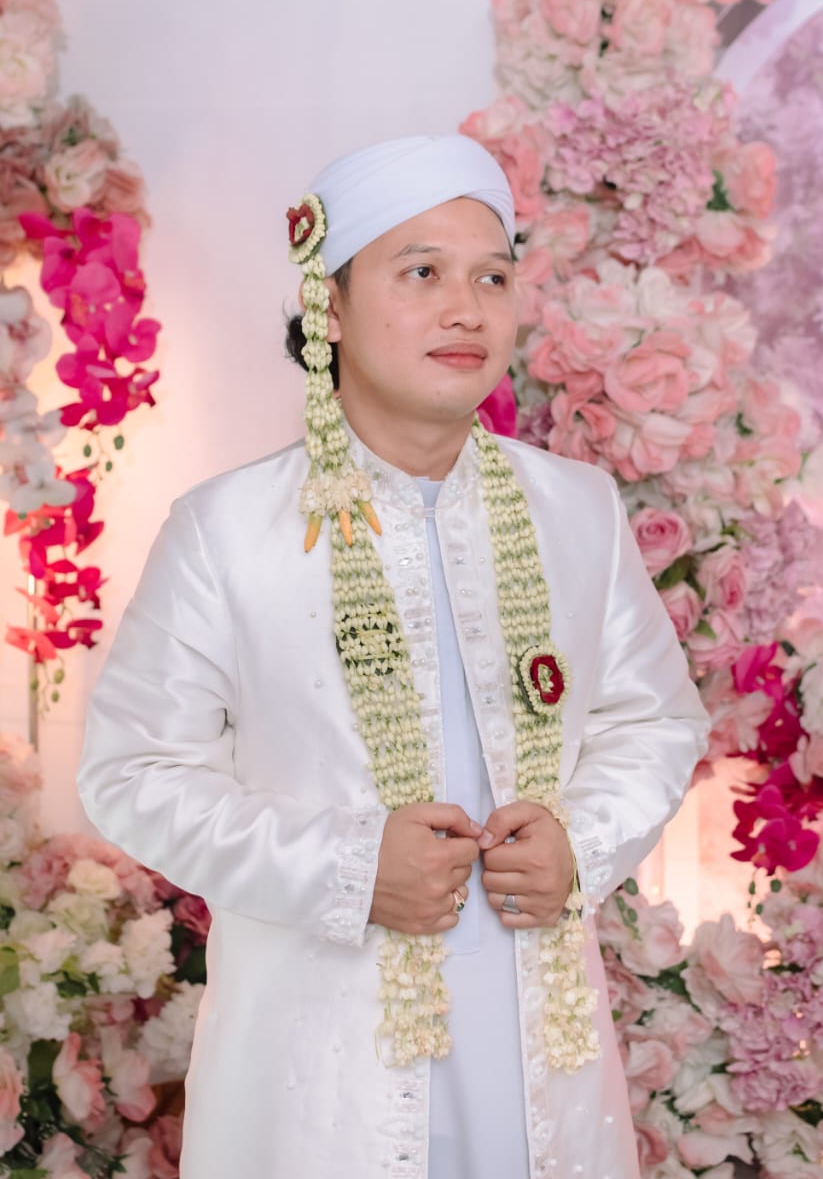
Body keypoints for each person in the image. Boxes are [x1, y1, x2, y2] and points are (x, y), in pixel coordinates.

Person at [77, 132, 710, 1179]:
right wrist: (348, 866)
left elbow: (655, 720)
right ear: (327, 306)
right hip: (320, 1066)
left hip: (535, 1036)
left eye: (492, 277)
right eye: (421, 273)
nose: (467, 309)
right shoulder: (226, 531)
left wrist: (581, 843)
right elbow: (133, 773)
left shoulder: (577, 510)